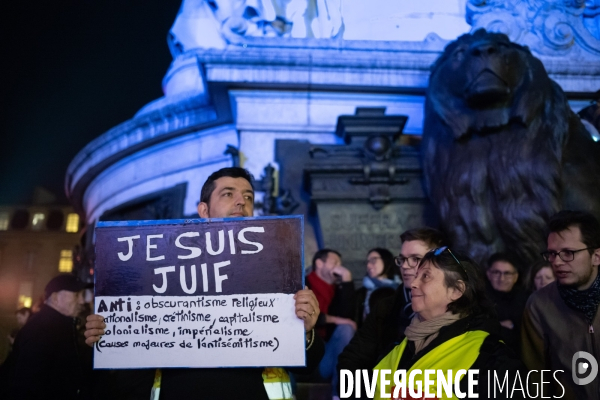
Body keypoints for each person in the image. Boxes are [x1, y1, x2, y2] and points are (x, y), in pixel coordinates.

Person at [85, 167, 324, 400]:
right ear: (204, 210)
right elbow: (127, 362)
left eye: (248, 196)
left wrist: (305, 332)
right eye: (228, 194)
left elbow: (308, 364)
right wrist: (108, 334)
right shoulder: (160, 269)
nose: (241, 201)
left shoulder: (279, 268)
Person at [370, 247, 525, 399]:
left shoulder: (491, 357)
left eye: (425, 277)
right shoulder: (397, 347)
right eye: (416, 275)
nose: (413, 284)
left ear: (456, 290)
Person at [338, 227, 445, 378]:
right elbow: (351, 359)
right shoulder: (385, 307)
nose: (405, 266)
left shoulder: (458, 306)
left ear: (440, 262)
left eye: (415, 259)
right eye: (402, 259)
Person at [522, 210, 600, 399]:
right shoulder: (539, 305)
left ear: (596, 256)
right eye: (551, 253)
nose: (556, 262)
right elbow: (535, 379)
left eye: (568, 253)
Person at [6, 274, 88, 400]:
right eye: (76, 295)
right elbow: (27, 386)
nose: (82, 301)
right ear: (55, 298)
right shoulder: (41, 330)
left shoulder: (58, 326)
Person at [306, 248, 356, 399]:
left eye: (340, 264)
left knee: (346, 329)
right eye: (335, 262)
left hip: (328, 356)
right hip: (306, 356)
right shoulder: (304, 283)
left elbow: (347, 317)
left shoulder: (337, 288)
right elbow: (306, 316)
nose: (339, 267)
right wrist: (335, 319)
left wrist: (347, 281)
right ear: (319, 263)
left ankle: (338, 394)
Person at [484, 252, 529, 353]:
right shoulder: (477, 298)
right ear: (489, 274)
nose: (502, 279)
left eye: (507, 273)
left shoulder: (527, 300)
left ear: (516, 277)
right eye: (496, 272)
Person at [355, 248, 400, 326]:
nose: (369, 265)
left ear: (386, 260)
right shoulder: (361, 293)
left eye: (373, 260)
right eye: (367, 262)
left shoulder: (401, 288)